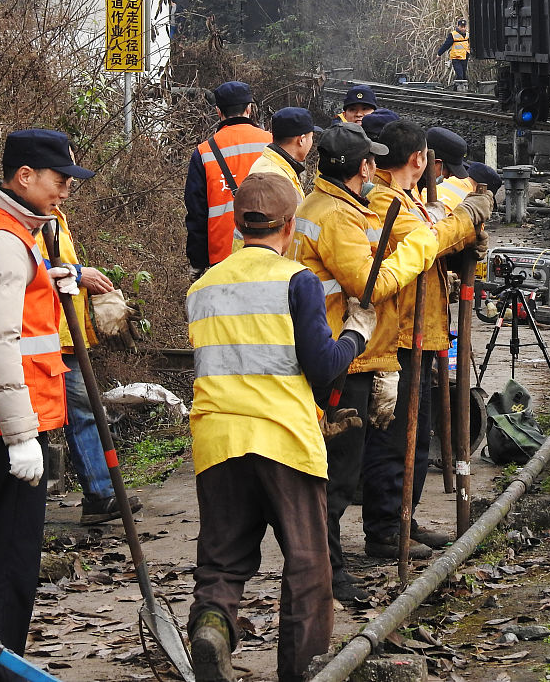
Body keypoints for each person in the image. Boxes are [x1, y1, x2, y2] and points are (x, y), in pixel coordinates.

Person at [185, 173, 377, 682]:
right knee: (309, 568)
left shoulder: (203, 286)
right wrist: (358, 334)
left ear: (235, 223)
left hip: (217, 440)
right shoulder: (297, 281)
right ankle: (303, 671)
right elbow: (323, 366)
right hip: (283, 441)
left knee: (222, 562)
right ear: (290, 225)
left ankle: (211, 629)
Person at [0, 129, 93, 681]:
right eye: (59, 181)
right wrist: (20, 435)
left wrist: (44, 277)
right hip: (3, 424)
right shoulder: (4, 241)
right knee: (7, 564)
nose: (65, 193)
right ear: (24, 176)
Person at [291, 124, 437, 605]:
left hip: (345, 351)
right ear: (363, 168)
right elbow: (369, 285)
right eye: (370, 162)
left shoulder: (334, 206)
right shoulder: (336, 217)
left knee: (337, 470)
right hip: (341, 356)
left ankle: (324, 567)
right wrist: (423, 246)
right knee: (336, 474)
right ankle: (326, 574)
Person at [361, 120, 494, 558]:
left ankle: (405, 519)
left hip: (422, 330)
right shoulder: (382, 201)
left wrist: (463, 247)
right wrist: (468, 219)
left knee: (416, 439)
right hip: (398, 334)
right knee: (396, 440)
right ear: (420, 159)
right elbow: (424, 241)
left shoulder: (407, 197)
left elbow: (437, 241)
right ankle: (385, 530)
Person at [38, 210, 142, 525]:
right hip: (40, 336)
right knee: (56, 418)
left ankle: (100, 494)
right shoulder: (21, 219)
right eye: (61, 178)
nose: (67, 187)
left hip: (62, 336)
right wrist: (78, 273)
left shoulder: (54, 216)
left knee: (84, 411)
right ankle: (96, 494)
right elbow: (24, 268)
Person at [185, 80, 272, 274]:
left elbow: (197, 212)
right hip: (271, 250)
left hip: (222, 255)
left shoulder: (204, 152)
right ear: (249, 109)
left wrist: (197, 261)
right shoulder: (272, 143)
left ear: (218, 111)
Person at [246, 106, 321, 205]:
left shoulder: (271, 164)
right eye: (311, 137)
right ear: (301, 140)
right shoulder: (277, 178)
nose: (312, 142)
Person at [436, 18, 470, 90]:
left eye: (464, 27)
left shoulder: (467, 35)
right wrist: (439, 54)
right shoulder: (453, 35)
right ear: (458, 26)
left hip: (464, 57)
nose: (463, 28)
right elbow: (446, 45)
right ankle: (459, 92)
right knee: (460, 76)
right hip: (456, 58)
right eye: (461, 27)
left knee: (463, 76)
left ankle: (455, 90)